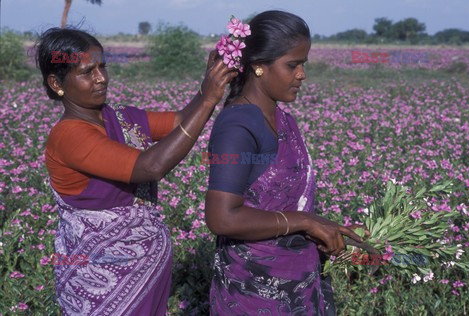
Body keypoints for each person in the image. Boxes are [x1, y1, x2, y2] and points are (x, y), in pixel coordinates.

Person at [36, 27, 236, 315]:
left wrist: (207, 87)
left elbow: (179, 121)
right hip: (101, 281)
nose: (101, 78)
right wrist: (208, 100)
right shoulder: (69, 135)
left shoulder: (119, 116)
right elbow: (150, 167)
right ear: (57, 83)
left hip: (146, 272)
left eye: (102, 66)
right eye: (87, 71)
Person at [205, 11, 363, 315]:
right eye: (292, 65)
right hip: (254, 293)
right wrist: (305, 221)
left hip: (298, 284)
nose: (302, 74)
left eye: (303, 64)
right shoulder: (238, 127)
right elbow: (222, 218)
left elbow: (284, 205)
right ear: (259, 67)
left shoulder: (282, 119)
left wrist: (327, 228)